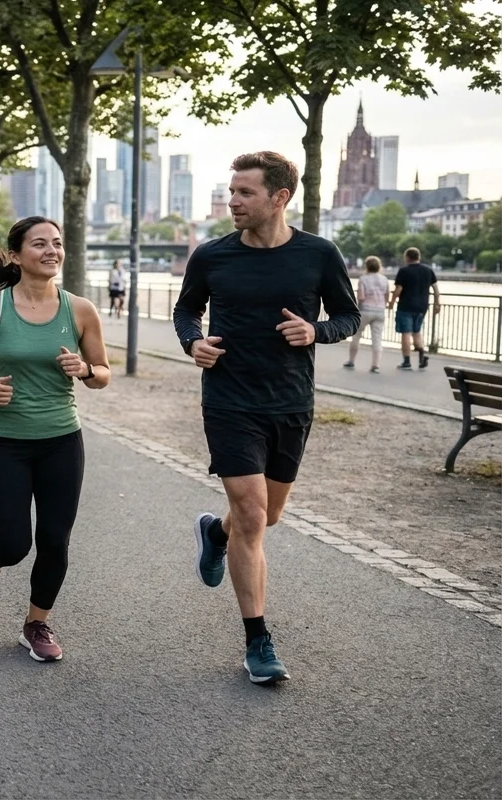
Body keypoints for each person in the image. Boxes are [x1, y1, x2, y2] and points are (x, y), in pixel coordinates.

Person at [172, 152, 358, 685]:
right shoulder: (211, 256)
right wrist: (193, 342)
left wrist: (316, 331)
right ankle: (258, 641)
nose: (232, 201)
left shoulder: (318, 254)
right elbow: (187, 311)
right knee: (253, 517)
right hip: (229, 401)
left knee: (267, 515)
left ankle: (215, 533)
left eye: (244, 193)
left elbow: (348, 315)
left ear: (280, 198)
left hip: (290, 402)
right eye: (231, 191)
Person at [0, 217, 110, 662]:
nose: (51, 251)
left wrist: (86, 370)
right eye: (39, 244)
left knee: (55, 539)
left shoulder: (80, 310)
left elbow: (103, 373)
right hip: (3, 441)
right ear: (17, 256)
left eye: (57, 243)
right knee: (14, 542)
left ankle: (36, 623)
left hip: (62, 440)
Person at [388, 247, 440, 371]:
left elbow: (398, 289)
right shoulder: (428, 270)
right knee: (416, 331)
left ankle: (407, 362)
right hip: (422, 306)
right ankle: (422, 356)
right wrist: (437, 303)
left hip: (406, 306)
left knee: (406, 333)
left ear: (407, 257)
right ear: (418, 257)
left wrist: (392, 302)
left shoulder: (404, 271)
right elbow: (436, 289)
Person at [343, 256, 389, 374]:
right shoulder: (384, 279)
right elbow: (387, 296)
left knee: (356, 335)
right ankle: (375, 365)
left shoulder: (363, 279)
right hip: (380, 311)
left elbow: (361, 297)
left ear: (367, 266)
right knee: (377, 339)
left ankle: (351, 361)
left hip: (365, 310)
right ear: (379, 266)